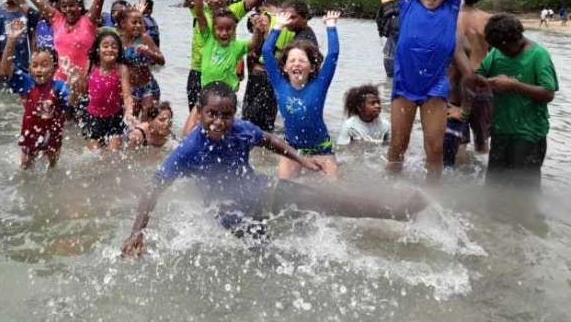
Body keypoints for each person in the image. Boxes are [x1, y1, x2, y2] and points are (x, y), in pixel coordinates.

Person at [121, 82, 427, 257]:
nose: (219, 121)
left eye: (226, 115)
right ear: (199, 113)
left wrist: (300, 159)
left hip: (263, 191)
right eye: (212, 114)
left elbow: (268, 139)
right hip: (230, 214)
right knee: (266, 255)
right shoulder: (189, 150)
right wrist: (138, 233)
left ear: (233, 113)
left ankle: (396, 211)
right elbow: (153, 189)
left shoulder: (239, 129)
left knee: (330, 202)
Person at [387, 0, 485, 179]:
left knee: (435, 149)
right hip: (405, 85)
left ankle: (433, 202)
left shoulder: (452, 6)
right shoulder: (408, 4)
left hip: (434, 88)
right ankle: (390, 193)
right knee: (398, 146)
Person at [178, 0, 269, 110]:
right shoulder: (200, 11)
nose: (216, 0)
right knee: (196, 116)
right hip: (198, 70)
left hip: (225, 73)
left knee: (222, 119)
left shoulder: (233, 12)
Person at [4, 0, 123, 81]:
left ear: (80, 6)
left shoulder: (88, 21)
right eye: (64, 6)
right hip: (59, 83)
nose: (68, 9)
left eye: (72, 5)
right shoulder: (57, 20)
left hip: (85, 82)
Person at [478, 14, 558, 186]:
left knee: (525, 191)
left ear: (509, 43)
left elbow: (548, 93)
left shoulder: (539, 55)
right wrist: (488, 83)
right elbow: (479, 78)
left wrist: (514, 85)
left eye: (501, 47)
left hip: (529, 135)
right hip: (500, 132)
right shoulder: (496, 53)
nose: (498, 50)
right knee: (494, 187)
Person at [181, 0, 262, 135]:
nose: (224, 32)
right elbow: (198, 12)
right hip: (202, 82)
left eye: (228, 29)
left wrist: (258, 30)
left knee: (222, 126)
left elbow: (253, 43)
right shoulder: (209, 36)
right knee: (195, 127)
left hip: (226, 91)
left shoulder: (236, 43)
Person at [263, 10, 341, 179]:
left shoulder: (319, 85)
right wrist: (277, 26)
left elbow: (333, 54)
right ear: (284, 67)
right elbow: (266, 52)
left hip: (322, 149)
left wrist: (331, 26)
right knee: (282, 191)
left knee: (335, 193)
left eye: (302, 60)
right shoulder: (279, 83)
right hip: (293, 150)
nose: (296, 64)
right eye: (292, 60)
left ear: (312, 67)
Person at [0, 19, 78, 169]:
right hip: (30, 134)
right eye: (34, 65)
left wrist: (73, 84)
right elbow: (4, 69)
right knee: (26, 167)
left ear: (54, 68)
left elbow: (71, 104)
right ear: (29, 68)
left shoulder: (59, 86)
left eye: (44, 65)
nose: (39, 69)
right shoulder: (27, 83)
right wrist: (12, 40)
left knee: (52, 168)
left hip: (53, 135)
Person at [444, 0, 493, 167]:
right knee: (482, 142)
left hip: (455, 87)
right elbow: (495, 54)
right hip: (483, 84)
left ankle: (459, 184)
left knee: (458, 141)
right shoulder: (488, 20)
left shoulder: (449, 17)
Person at [75, 30, 134, 150]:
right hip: (92, 119)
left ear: (119, 51)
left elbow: (127, 96)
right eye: (105, 46)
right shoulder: (90, 66)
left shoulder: (121, 69)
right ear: (98, 49)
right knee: (95, 156)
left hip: (114, 118)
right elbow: (81, 92)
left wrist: (129, 112)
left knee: (112, 155)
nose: (110, 49)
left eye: (114, 47)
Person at [0, 0, 38, 92]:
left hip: (22, 63)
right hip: (1, 61)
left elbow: (32, 38)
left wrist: (33, 60)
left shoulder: (25, 12)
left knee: (23, 95)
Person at [118, 6, 165, 118]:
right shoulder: (119, 41)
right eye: (134, 22)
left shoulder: (145, 38)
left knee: (147, 121)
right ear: (124, 24)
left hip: (147, 87)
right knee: (130, 122)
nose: (138, 25)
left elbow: (162, 60)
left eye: (140, 22)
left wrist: (149, 52)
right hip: (129, 89)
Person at [241, 12, 279, 131]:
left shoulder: (274, 40)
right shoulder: (252, 45)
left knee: (266, 122)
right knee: (249, 118)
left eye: (260, 19)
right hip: (254, 84)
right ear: (252, 29)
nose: (259, 23)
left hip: (269, 84)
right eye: (254, 22)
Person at [376, 0, 402, 78]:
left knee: (390, 82)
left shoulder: (388, 17)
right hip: (400, 59)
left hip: (388, 56)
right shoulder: (404, 18)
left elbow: (383, 31)